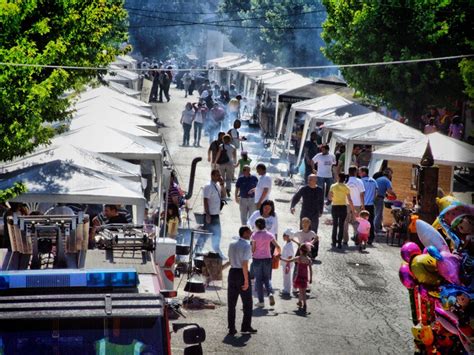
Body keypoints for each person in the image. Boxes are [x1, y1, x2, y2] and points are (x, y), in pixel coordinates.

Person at [227, 226, 256, 335]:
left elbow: (230, 260)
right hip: (241, 274)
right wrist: (246, 281)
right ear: (244, 233)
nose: (251, 234)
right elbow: (244, 264)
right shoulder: (246, 246)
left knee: (231, 304)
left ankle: (231, 328)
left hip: (232, 272)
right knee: (247, 303)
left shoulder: (232, 244)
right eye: (249, 232)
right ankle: (245, 326)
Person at [196, 169, 227, 259]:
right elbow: (205, 200)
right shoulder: (208, 186)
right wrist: (208, 214)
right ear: (212, 176)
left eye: (219, 175)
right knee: (205, 235)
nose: (219, 177)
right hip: (210, 215)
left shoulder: (217, 185)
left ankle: (217, 252)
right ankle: (197, 251)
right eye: (217, 175)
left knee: (217, 234)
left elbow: (224, 195)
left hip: (216, 214)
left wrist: (222, 184)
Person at [251, 217, 281, 308]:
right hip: (268, 259)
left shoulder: (254, 235)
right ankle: (270, 294)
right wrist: (278, 254)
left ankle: (261, 301)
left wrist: (253, 252)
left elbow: (253, 249)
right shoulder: (269, 235)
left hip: (257, 259)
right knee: (267, 279)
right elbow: (278, 246)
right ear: (265, 225)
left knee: (259, 280)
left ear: (256, 226)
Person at [281, 243, 312, 313]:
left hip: (299, 276)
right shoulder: (308, 259)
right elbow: (310, 269)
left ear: (301, 251)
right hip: (305, 277)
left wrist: (280, 258)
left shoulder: (299, 258)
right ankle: (300, 302)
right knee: (302, 291)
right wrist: (311, 278)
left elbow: (288, 260)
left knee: (302, 292)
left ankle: (305, 305)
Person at [329, 173, 356, 249]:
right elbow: (350, 200)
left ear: (338, 177)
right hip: (343, 207)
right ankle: (339, 243)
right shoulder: (346, 187)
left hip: (335, 206)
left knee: (335, 225)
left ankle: (334, 242)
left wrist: (333, 198)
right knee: (341, 225)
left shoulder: (333, 186)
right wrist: (353, 209)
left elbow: (330, 197)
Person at [344, 166, 365, 245]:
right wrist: (363, 205)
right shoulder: (359, 181)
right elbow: (362, 194)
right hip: (357, 204)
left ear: (349, 172)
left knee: (345, 222)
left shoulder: (346, 181)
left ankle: (345, 239)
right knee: (356, 222)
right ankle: (356, 238)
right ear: (356, 172)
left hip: (346, 204)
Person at [374, 168, 397, 234]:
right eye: (391, 174)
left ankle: (377, 228)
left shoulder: (379, 179)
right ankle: (376, 230)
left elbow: (380, 188)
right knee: (378, 215)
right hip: (379, 198)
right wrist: (395, 195)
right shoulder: (387, 181)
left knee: (377, 214)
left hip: (374, 198)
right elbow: (389, 190)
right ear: (390, 175)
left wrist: (386, 195)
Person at [359, 166, 377, 245]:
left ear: (364, 172)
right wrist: (373, 199)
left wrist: (362, 204)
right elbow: (376, 192)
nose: (359, 173)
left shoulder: (361, 181)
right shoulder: (373, 181)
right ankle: (371, 238)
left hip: (363, 205)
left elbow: (361, 194)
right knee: (370, 222)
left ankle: (360, 237)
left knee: (361, 222)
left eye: (360, 172)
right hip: (371, 204)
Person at [280, 229, 295, 297]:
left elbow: (289, 256)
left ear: (288, 236)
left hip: (287, 263)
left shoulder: (289, 246)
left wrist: (287, 265)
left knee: (287, 277)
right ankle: (285, 288)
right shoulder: (287, 244)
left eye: (284, 235)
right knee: (285, 276)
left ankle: (287, 290)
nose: (283, 237)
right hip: (285, 263)